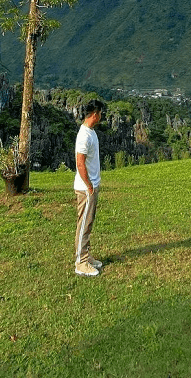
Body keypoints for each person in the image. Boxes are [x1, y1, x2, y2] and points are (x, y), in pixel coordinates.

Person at [73, 98, 106, 276]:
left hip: (91, 186)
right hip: (86, 188)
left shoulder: (91, 132)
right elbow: (80, 163)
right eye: (100, 113)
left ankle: (86, 255)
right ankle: (81, 262)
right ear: (94, 114)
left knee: (88, 222)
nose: (101, 116)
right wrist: (89, 186)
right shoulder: (84, 136)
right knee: (84, 224)